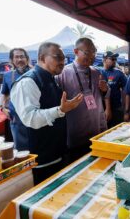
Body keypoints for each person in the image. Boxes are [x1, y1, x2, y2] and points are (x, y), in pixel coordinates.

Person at [11, 42, 83, 184]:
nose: (62, 62)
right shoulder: (28, 82)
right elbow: (30, 118)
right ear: (42, 58)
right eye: (58, 57)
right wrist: (60, 110)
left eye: (64, 58)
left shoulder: (51, 78)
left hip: (55, 153)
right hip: (39, 159)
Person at [57, 38, 110, 164]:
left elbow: (106, 94)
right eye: (87, 52)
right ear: (76, 51)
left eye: (94, 52)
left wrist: (105, 89)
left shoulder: (96, 72)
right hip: (75, 132)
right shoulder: (63, 73)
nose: (91, 56)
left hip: (96, 129)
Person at [0, 48, 32, 150]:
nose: (19, 59)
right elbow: (4, 93)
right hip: (16, 119)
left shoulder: (35, 72)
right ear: (12, 60)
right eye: (16, 57)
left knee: (36, 146)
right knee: (21, 149)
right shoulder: (8, 75)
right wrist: (2, 108)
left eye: (22, 56)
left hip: (34, 116)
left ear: (27, 58)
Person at [101, 51, 127, 128]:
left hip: (117, 108)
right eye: (112, 59)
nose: (114, 61)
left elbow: (126, 90)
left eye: (115, 59)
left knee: (118, 131)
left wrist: (125, 108)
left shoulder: (119, 73)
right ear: (105, 59)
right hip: (101, 109)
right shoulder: (98, 72)